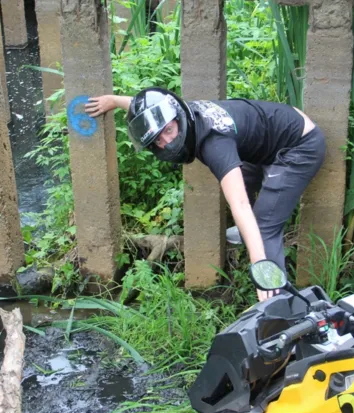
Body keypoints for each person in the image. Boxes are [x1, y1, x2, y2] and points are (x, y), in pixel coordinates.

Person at [85, 88, 325, 302]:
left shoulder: (214, 144)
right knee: (244, 180)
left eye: (169, 131)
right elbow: (147, 110)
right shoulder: (177, 111)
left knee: (264, 228)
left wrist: (259, 262)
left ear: (178, 119)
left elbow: (240, 204)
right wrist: (113, 101)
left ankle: (277, 303)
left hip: (299, 145)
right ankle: (248, 233)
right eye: (158, 139)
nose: (168, 141)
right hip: (267, 137)